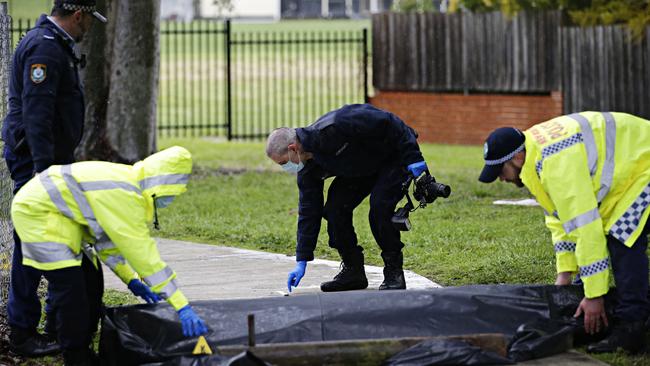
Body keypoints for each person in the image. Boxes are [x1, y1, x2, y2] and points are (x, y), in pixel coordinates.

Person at [10, 146, 208, 365]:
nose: (171, 199)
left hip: (56, 215)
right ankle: (76, 356)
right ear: (161, 184)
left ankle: (77, 345)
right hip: (39, 214)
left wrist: (130, 279)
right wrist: (180, 304)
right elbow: (143, 254)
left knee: (91, 282)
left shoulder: (127, 185)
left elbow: (106, 243)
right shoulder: (126, 195)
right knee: (72, 292)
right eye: (172, 192)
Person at [478, 112, 650, 353]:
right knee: (616, 235)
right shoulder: (535, 159)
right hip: (631, 170)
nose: (500, 179)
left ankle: (631, 328)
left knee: (622, 239)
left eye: (500, 171)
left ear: (517, 157)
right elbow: (560, 221)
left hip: (643, 167)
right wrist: (566, 274)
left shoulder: (556, 166)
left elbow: (585, 229)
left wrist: (594, 296)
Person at [1, 0, 107, 357]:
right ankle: (23, 331)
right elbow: (37, 114)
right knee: (32, 246)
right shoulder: (45, 47)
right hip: (36, 164)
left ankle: (50, 324)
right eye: (90, 21)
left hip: (47, 162)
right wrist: (44, 172)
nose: (89, 28)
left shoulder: (53, 43)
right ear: (79, 15)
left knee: (52, 242)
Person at [266, 104, 431, 293]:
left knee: (379, 209)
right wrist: (302, 260)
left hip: (392, 158)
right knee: (335, 210)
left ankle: (394, 272)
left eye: (283, 163)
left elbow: (390, 122)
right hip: (361, 169)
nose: (285, 168)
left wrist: (414, 158)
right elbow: (309, 212)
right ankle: (353, 271)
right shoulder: (308, 170)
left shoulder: (338, 124)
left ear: (293, 148)